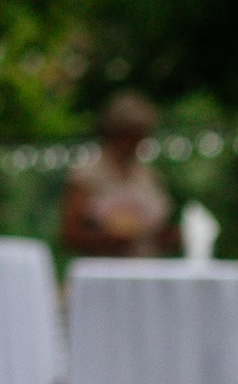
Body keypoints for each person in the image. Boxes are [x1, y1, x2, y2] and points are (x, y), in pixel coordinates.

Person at [58, 94, 181, 260]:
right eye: (132, 136)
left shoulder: (146, 174)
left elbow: (161, 228)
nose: (137, 143)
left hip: (145, 268)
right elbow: (69, 234)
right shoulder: (87, 174)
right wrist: (110, 239)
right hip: (103, 270)